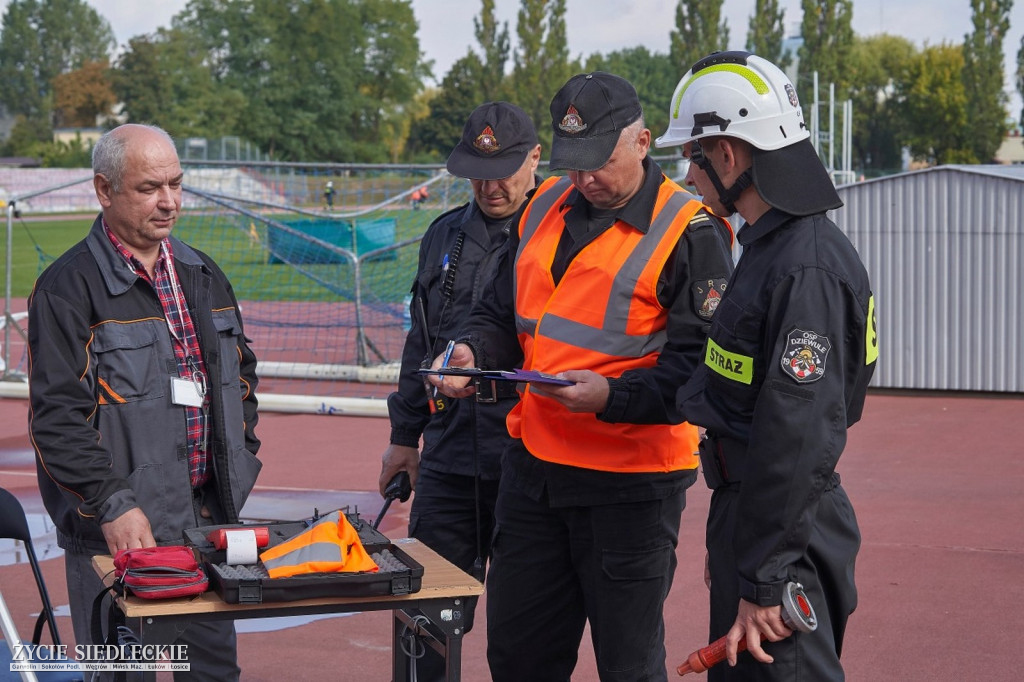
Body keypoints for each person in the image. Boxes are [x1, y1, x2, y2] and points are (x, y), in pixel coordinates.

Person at [432, 73, 735, 681]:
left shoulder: (690, 232)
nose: (584, 178)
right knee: (518, 659)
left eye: (598, 160)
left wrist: (612, 398)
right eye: (572, 162)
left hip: (629, 489)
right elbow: (498, 310)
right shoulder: (542, 206)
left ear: (643, 141)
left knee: (627, 665)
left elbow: (698, 371)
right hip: (533, 472)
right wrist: (468, 348)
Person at [655, 51, 878, 680]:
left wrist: (765, 574)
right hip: (754, 517)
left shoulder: (805, 265)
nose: (688, 175)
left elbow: (799, 434)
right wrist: (737, 546)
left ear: (729, 154)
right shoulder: (766, 248)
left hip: (786, 535)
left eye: (692, 157)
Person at [27, 123, 262, 681]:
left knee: (212, 675)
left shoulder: (203, 273)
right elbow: (57, 417)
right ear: (105, 190)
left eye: (176, 184)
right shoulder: (67, 288)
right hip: (117, 534)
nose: (169, 202)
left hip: (205, 525)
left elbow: (242, 380)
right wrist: (111, 502)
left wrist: (239, 461)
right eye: (149, 187)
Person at [378, 101, 541, 680]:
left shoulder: (560, 229)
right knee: (424, 618)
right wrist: (404, 435)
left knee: (526, 635)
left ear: (535, 159)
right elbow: (419, 341)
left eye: (502, 171)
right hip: (450, 453)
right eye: (476, 170)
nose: (489, 185)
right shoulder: (444, 233)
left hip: (532, 454)